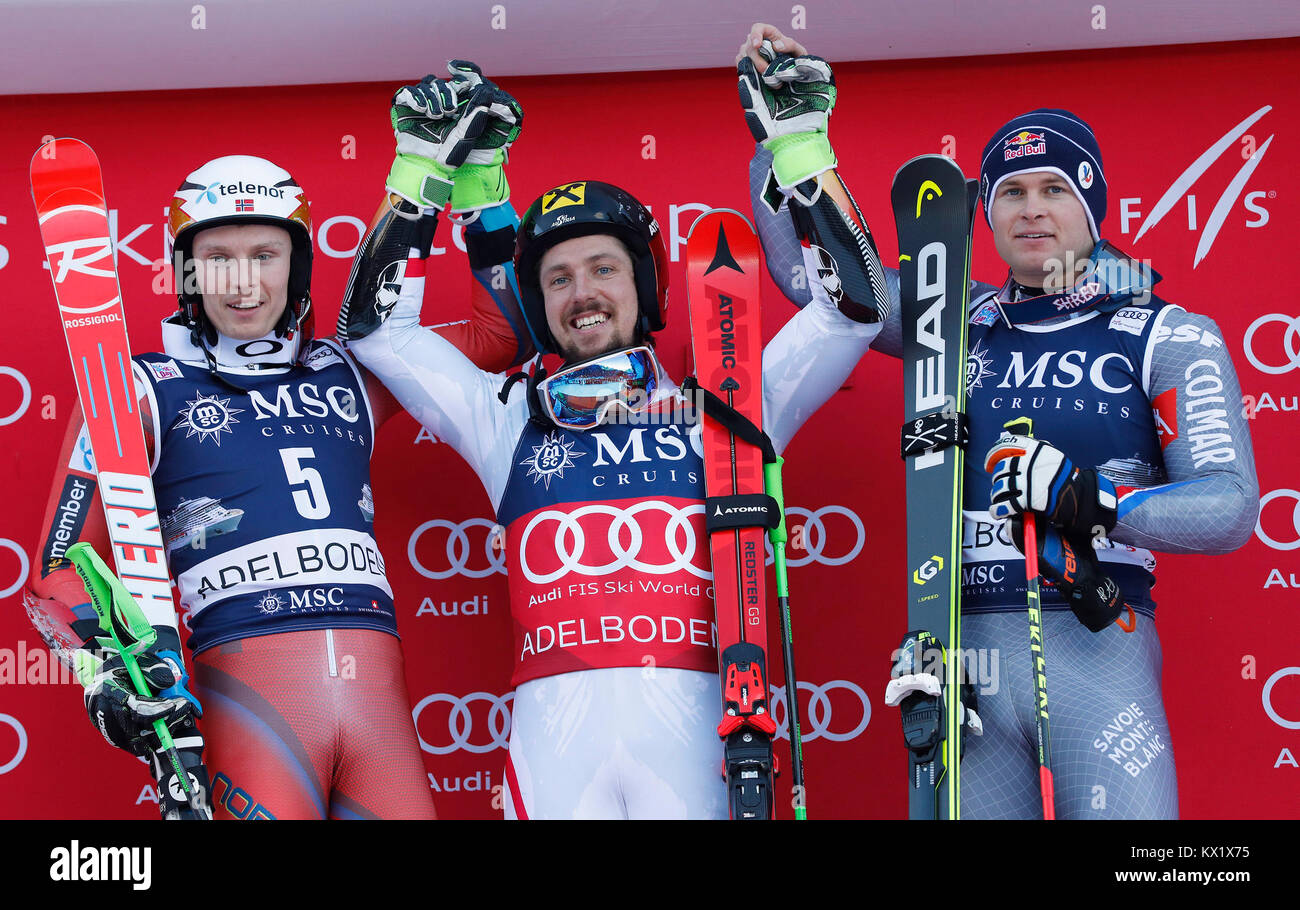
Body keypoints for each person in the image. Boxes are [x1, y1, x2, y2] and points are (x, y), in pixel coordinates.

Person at [344, 58, 893, 818]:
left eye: (604, 268)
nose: (582, 294)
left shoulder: (734, 405)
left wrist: (802, 150)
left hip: (706, 732)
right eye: (558, 279)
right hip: (552, 749)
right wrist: (424, 173)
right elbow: (375, 334)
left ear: (646, 285)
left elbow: (852, 311)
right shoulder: (504, 416)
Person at [742, 24, 1259, 818]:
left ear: (1092, 201)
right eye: (1011, 193)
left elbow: (1228, 507)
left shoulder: (1167, 331)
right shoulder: (955, 312)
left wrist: (1095, 500)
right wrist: (787, 147)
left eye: (1054, 188)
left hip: (1098, 641)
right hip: (961, 647)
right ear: (985, 212)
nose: (1031, 210)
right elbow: (812, 280)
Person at [26, 68, 530, 819]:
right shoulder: (136, 386)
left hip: (378, 708)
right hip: (250, 701)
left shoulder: (354, 367)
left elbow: (502, 336)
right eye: (217, 258)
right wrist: (109, 674)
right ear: (184, 272)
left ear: (297, 264)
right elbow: (59, 571)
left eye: (264, 255)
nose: (242, 281)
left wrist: (483, 187)